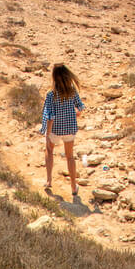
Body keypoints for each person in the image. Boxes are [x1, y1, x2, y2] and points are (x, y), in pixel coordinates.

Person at [40, 63, 84, 197]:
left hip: (55, 129)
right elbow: (80, 107)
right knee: (70, 157)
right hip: (70, 128)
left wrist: (47, 133)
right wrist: (76, 113)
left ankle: (49, 180)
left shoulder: (51, 94)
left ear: (54, 77)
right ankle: (73, 186)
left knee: (49, 150)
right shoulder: (72, 91)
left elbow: (49, 115)